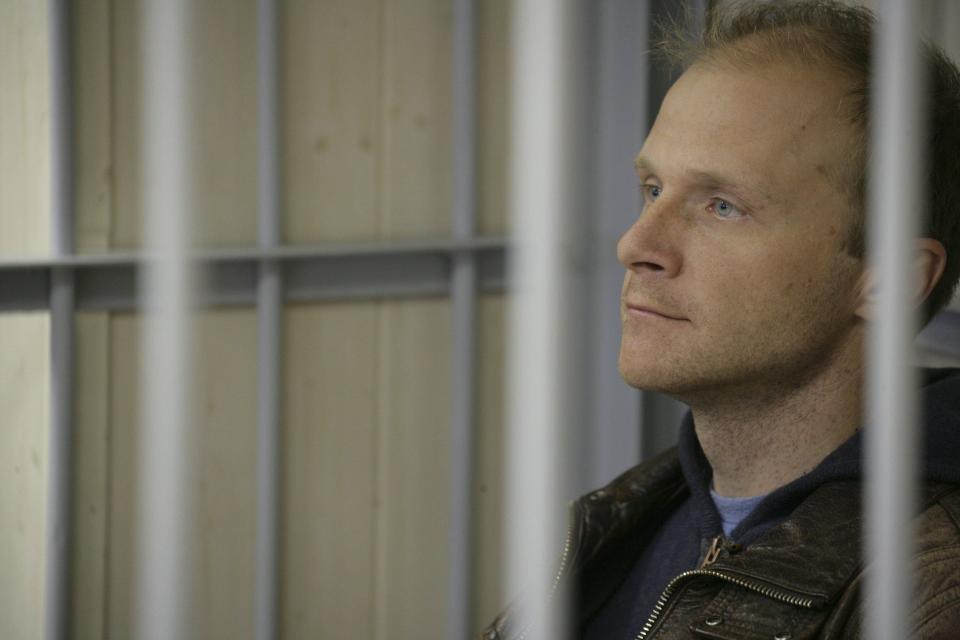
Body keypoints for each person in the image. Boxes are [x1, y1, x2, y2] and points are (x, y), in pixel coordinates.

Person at [482, 1, 960, 638]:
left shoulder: (931, 591)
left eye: (722, 206)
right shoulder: (632, 515)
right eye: (653, 189)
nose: (636, 244)